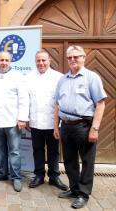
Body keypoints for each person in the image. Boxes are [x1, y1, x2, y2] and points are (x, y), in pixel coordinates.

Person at [54, 45, 107, 209]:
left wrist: (95, 128)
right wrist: (56, 126)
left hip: (84, 126)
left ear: (84, 58)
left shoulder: (92, 78)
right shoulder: (63, 79)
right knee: (69, 161)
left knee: (87, 161)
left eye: (76, 56)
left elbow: (100, 104)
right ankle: (74, 188)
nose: (72, 60)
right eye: (70, 57)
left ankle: (83, 194)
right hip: (66, 126)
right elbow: (57, 104)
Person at [0, 51, 29, 192]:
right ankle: (2, 173)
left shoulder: (18, 77)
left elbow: (23, 99)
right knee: (0, 150)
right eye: (1, 60)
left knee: (14, 151)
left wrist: (22, 118)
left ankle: (16, 178)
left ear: (11, 61)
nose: (4, 62)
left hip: (13, 122)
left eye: (6, 60)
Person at [27, 50, 68, 190]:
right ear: (35, 62)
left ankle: (54, 176)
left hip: (53, 122)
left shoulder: (59, 77)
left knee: (53, 151)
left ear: (49, 60)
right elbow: (26, 99)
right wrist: (26, 118)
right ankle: (38, 175)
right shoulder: (29, 77)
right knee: (37, 149)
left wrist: (60, 122)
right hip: (35, 120)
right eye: (38, 60)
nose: (41, 63)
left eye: (44, 60)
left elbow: (62, 101)